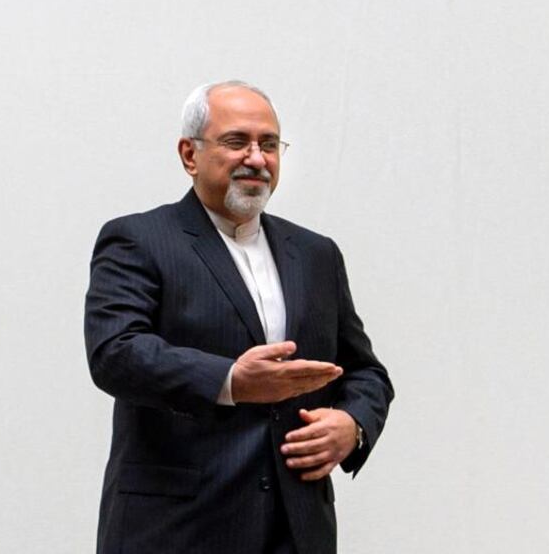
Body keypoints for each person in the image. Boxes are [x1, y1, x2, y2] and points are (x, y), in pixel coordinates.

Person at [84, 81, 394, 554]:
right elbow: (115, 353)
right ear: (190, 155)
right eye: (237, 142)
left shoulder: (315, 254)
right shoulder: (138, 239)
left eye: (269, 144)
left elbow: (365, 371)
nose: (257, 158)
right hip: (177, 529)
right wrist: (230, 380)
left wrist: (352, 425)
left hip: (296, 530)